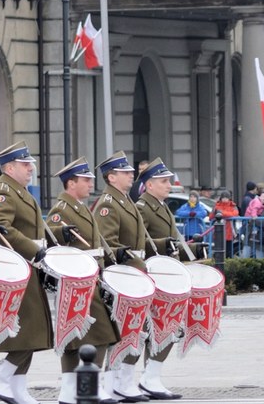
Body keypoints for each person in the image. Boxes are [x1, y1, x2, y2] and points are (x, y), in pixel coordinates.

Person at [0, 143, 52, 404]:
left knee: (34, 330)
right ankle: (0, 377)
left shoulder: (20, 191)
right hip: (17, 270)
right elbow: (1, 228)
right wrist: (33, 250)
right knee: (28, 329)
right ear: (10, 168)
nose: (31, 169)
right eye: (25, 165)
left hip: (30, 267)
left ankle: (17, 387)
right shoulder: (4, 192)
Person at [45, 158, 118, 404]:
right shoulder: (61, 210)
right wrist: (60, 233)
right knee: (94, 335)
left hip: (91, 279)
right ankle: (86, 387)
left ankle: (72, 391)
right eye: (86, 180)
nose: (90, 185)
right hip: (75, 282)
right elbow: (51, 239)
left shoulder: (82, 207)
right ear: (71, 183)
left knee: (79, 337)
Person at [91, 151, 148, 401]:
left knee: (133, 330)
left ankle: (123, 382)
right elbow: (105, 243)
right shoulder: (108, 204)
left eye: (130, 172)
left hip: (133, 273)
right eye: (125, 173)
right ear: (112, 177)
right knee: (120, 330)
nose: (131, 175)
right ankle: (111, 382)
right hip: (120, 275)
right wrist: (121, 254)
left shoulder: (125, 200)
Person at [135, 159, 190, 399]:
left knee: (166, 329)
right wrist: (163, 245)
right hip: (153, 276)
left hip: (167, 276)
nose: (169, 185)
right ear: (149, 185)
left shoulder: (161, 205)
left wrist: (193, 249)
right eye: (164, 181)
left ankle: (152, 376)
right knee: (157, 329)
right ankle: (147, 377)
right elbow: (138, 243)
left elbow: (170, 243)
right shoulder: (142, 207)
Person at [213, 190, 240, 258]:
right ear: (221, 198)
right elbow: (212, 216)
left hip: (230, 231)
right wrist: (226, 214)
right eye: (223, 198)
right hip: (218, 232)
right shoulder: (216, 205)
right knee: (219, 252)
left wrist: (222, 213)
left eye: (226, 198)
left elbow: (235, 214)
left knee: (229, 252)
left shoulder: (233, 206)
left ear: (229, 198)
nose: (225, 199)